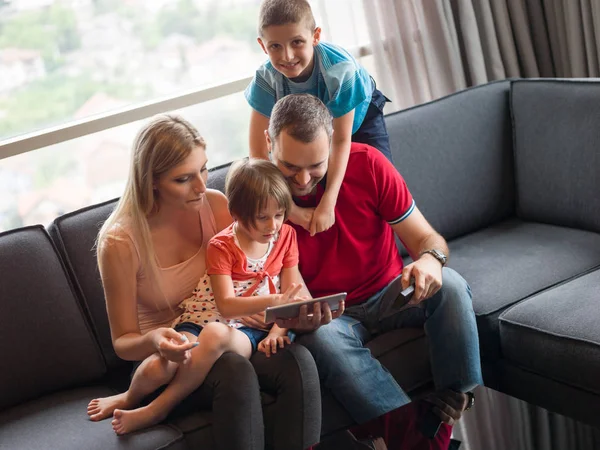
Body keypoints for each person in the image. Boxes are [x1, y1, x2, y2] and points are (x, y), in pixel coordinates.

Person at [86, 114, 321, 450]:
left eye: (204, 170)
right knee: (234, 372)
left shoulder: (215, 205)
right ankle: (145, 403)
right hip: (170, 350)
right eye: (183, 179)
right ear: (151, 181)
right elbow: (124, 341)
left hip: (232, 327)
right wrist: (156, 340)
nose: (201, 186)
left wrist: (286, 312)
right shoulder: (120, 242)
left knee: (298, 361)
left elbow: (261, 272)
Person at [265, 94, 484, 449]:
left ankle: (456, 395)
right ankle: (418, 437)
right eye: (290, 166)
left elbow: (429, 239)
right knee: (322, 339)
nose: (303, 179)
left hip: (390, 295)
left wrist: (430, 260)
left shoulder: (367, 164)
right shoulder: (257, 196)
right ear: (268, 143)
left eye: (316, 165)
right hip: (332, 315)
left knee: (453, 285)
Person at [246, 0, 393, 237]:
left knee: (377, 180)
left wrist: (328, 201)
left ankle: (384, 242)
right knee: (298, 182)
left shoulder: (340, 71)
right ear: (263, 46)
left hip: (355, 119)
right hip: (310, 129)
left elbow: (340, 140)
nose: (287, 55)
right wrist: (290, 209)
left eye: (297, 42)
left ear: (315, 36)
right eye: (275, 46)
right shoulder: (266, 79)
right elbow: (258, 154)